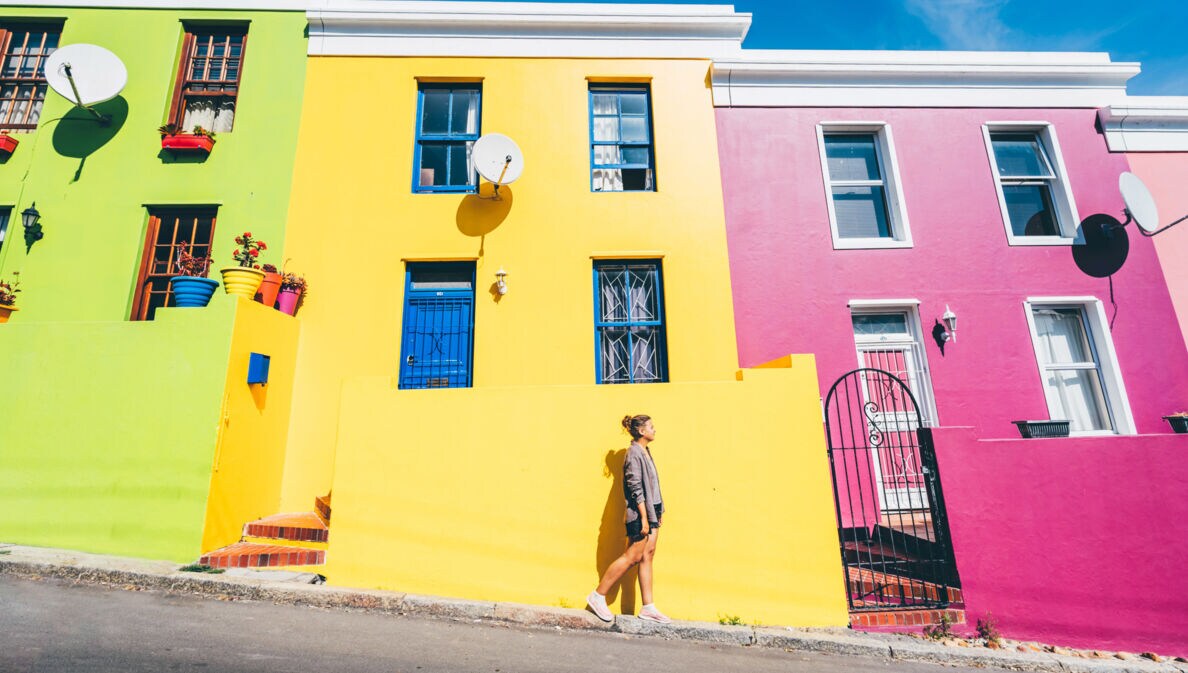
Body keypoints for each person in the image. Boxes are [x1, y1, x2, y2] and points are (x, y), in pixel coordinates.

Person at [587, 414, 671, 624]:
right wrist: (644, 517)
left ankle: (648, 607)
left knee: (647, 555)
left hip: (652, 512)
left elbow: (651, 484)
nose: (655, 429)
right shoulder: (634, 453)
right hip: (640, 514)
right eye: (651, 426)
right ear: (641, 431)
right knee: (632, 556)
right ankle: (597, 596)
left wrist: (657, 512)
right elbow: (635, 489)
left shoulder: (645, 451)